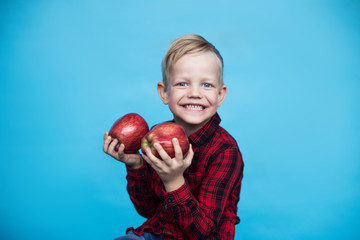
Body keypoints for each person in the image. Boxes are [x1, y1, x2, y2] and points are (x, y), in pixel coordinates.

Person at [103, 34, 244, 240]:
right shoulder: (155, 137)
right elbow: (148, 210)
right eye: (182, 84)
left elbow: (202, 232)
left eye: (206, 85)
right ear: (164, 93)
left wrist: (174, 181)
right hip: (161, 234)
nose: (195, 93)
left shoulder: (225, 152)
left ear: (220, 95)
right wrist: (136, 165)